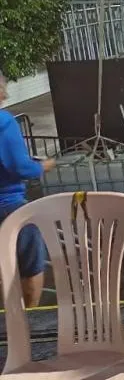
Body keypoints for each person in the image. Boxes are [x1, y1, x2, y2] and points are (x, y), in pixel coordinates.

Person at [0, 70, 55, 308]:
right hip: (7, 205)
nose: (5, 93)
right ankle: (29, 320)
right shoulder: (4, 122)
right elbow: (19, 167)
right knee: (29, 262)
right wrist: (42, 166)